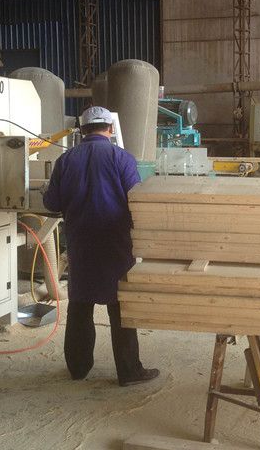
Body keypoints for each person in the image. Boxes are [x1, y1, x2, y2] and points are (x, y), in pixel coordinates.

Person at [42, 105, 159, 386]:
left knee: (80, 305)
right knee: (120, 306)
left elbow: (52, 203)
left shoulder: (66, 160)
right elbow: (135, 200)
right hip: (115, 242)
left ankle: (78, 369)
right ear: (110, 128)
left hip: (80, 242)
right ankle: (129, 371)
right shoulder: (122, 158)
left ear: (82, 130)